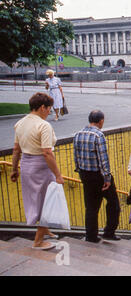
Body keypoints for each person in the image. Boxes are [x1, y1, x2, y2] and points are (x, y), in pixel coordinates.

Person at [11, 92, 64, 250]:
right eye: (49, 108)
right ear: (42, 107)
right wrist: (58, 175)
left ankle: (45, 229)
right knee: (46, 202)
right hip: (41, 167)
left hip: (26, 165)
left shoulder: (20, 123)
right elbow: (47, 152)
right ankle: (38, 241)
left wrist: (14, 169)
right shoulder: (43, 125)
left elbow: (16, 149)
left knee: (36, 200)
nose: (49, 111)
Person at [73, 110, 120, 243]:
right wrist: (107, 178)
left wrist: (80, 172)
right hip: (99, 176)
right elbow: (103, 159)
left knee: (91, 207)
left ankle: (91, 236)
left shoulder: (77, 134)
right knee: (113, 204)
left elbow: (76, 157)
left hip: (85, 175)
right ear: (101, 121)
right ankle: (109, 232)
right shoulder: (99, 135)